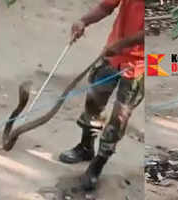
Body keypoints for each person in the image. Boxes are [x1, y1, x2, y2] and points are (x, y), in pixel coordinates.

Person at [58, 0, 144, 190]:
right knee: (94, 101)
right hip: (113, 54)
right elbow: (106, 6)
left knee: (119, 117)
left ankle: (98, 164)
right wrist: (83, 21)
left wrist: (123, 44)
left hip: (142, 64)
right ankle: (86, 147)